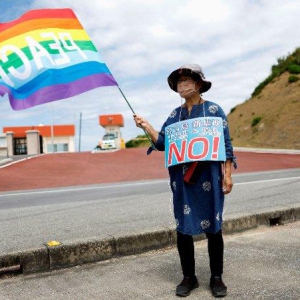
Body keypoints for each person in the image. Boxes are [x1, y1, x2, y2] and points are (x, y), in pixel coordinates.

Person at [133, 64, 236, 298]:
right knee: (183, 229)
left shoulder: (214, 110)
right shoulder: (174, 115)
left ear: (199, 84)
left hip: (209, 176)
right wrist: (146, 125)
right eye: (179, 82)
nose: (182, 84)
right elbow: (161, 144)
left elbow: (226, 145)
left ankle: (216, 277)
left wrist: (227, 174)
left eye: (187, 80)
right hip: (182, 180)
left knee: (214, 226)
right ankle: (189, 276)